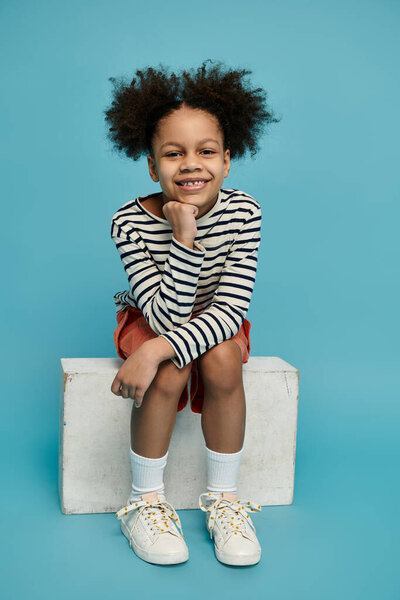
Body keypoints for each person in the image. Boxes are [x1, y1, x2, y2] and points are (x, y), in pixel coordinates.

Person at [104, 59, 280, 566]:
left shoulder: (245, 212)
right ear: (152, 166)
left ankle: (224, 500)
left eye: (206, 152)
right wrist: (183, 238)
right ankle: (145, 502)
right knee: (174, 362)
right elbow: (161, 318)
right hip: (151, 315)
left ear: (227, 160)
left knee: (222, 357)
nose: (190, 165)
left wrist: (159, 347)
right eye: (173, 154)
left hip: (213, 321)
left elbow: (230, 309)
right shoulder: (129, 222)